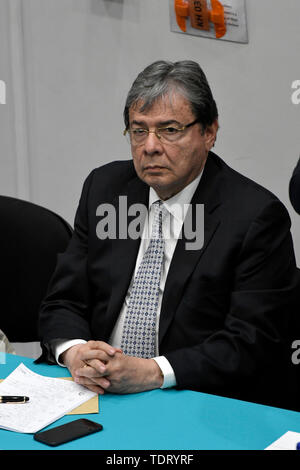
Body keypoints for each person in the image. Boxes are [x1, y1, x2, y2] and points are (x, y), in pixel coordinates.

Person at [38, 60, 299, 408]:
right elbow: (63, 299)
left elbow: (252, 341)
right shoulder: (104, 189)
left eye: (170, 130)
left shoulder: (255, 216)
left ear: (209, 132)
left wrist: (152, 372)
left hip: (196, 399)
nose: (150, 146)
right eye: (138, 130)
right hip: (97, 390)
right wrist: (75, 353)